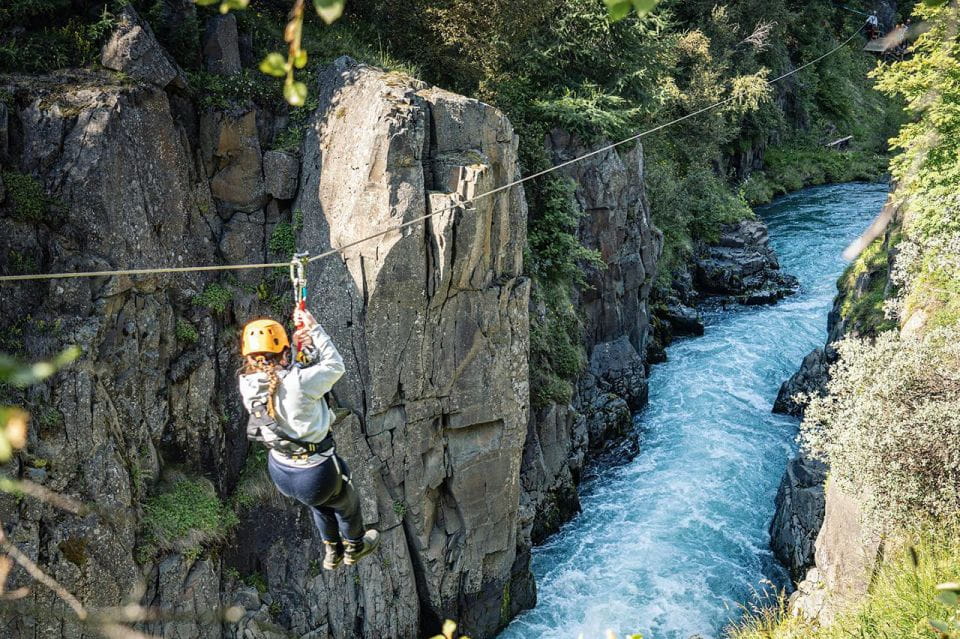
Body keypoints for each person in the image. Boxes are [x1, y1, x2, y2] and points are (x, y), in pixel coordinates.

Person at [238, 308, 379, 570]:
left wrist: (297, 350)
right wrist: (314, 328)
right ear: (281, 353)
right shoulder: (299, 382)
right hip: (315, 471)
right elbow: (335, 366)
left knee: (320, 503)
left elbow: (279, 382)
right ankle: (355, 547)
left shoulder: (247, 383)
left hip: (281, 472)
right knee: (346, 502)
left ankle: (332, 551)